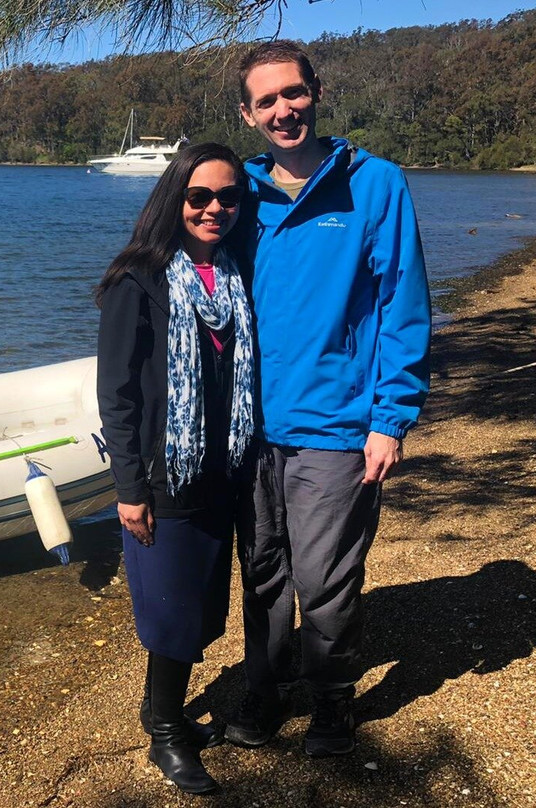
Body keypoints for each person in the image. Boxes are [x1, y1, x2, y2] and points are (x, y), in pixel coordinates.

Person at [224, 40, 432, 757]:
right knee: (263, 572)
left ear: (315, 91)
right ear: (248, 115)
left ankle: (333, 698)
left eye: (295, 93)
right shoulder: (239, 193)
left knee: (326, 575)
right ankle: (266, 684)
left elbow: (403, 307)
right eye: (268, 100)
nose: (285, 110)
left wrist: (390, 419)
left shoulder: (374, 184)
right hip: (249, 428)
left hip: (337, 423)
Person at [96, 142, 255, 794]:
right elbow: (118, 395)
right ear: (174, 200)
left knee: (203, 609)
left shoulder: (237, 276)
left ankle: (157, 708)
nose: (214, 208)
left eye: (227, 197)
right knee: (172, 610)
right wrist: (129, 489)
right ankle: (165, 732)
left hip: (223, 471)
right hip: (164, 478)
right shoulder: (138, 281)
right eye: (200, 196)